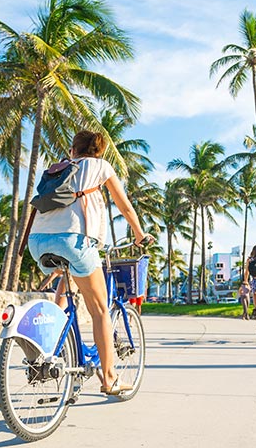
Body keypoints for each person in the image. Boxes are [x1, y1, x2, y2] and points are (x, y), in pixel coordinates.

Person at [28, 130, 151, 396]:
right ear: (99, 151)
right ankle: (109, 379)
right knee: (100, 312)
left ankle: (51, 346)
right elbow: (125, 206)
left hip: (37, 241)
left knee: (66, 281)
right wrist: (140, 235)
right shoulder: (100, 166)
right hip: (74, 241)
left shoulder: (59, 168)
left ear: (73, 150)